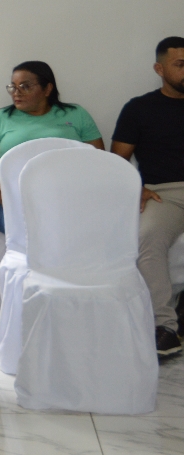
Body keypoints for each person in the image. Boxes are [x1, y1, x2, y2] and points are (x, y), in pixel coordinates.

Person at [0, 61, 103, 325]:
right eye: (13, 87)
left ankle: (66, 319)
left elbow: (97, 163)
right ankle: (13, 321)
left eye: (25, 86)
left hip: (67, 204)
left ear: (47, 88)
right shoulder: (1, 119)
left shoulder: (76, 114)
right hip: (15, 205)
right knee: (26, 249)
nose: (16, 93)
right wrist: (4, 194)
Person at [111, 37, 184, 358]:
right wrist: (136, 188)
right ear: (160, 69)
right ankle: (165, 327)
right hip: (164, 193)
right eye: (180, 65)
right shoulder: (139, 109)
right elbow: (117, 161)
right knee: (147, 238)